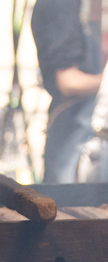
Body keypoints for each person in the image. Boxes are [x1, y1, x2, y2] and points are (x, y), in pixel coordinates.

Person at [31, 0, 103, 183]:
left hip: (82, 131)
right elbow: (69, 82)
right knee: (65, 206)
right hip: (72, 135)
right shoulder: (60, 4)